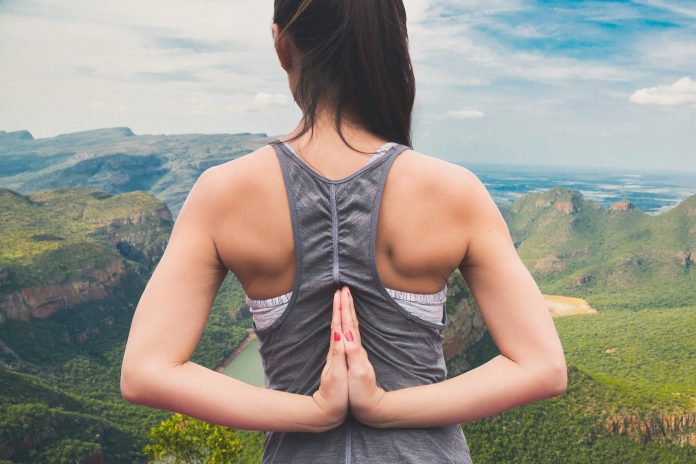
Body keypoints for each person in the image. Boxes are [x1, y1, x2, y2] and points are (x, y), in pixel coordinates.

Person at [120, 1, 568, 462]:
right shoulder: (454, 191)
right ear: (394, 48)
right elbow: (542, 367)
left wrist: (313, 412)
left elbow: (145, 372)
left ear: (281, 44)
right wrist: (383, 408)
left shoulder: (222, 194)